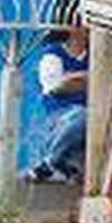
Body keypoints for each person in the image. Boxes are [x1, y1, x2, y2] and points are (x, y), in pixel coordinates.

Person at [22, 22, 91, 183]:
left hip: (92, 114)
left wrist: (74, 79)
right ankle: (51, 163)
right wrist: (85, 78)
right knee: (81, 115)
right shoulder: (53, 55)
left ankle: (50, 165)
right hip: (59, 117)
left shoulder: (96, 55)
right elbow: (55, 88)